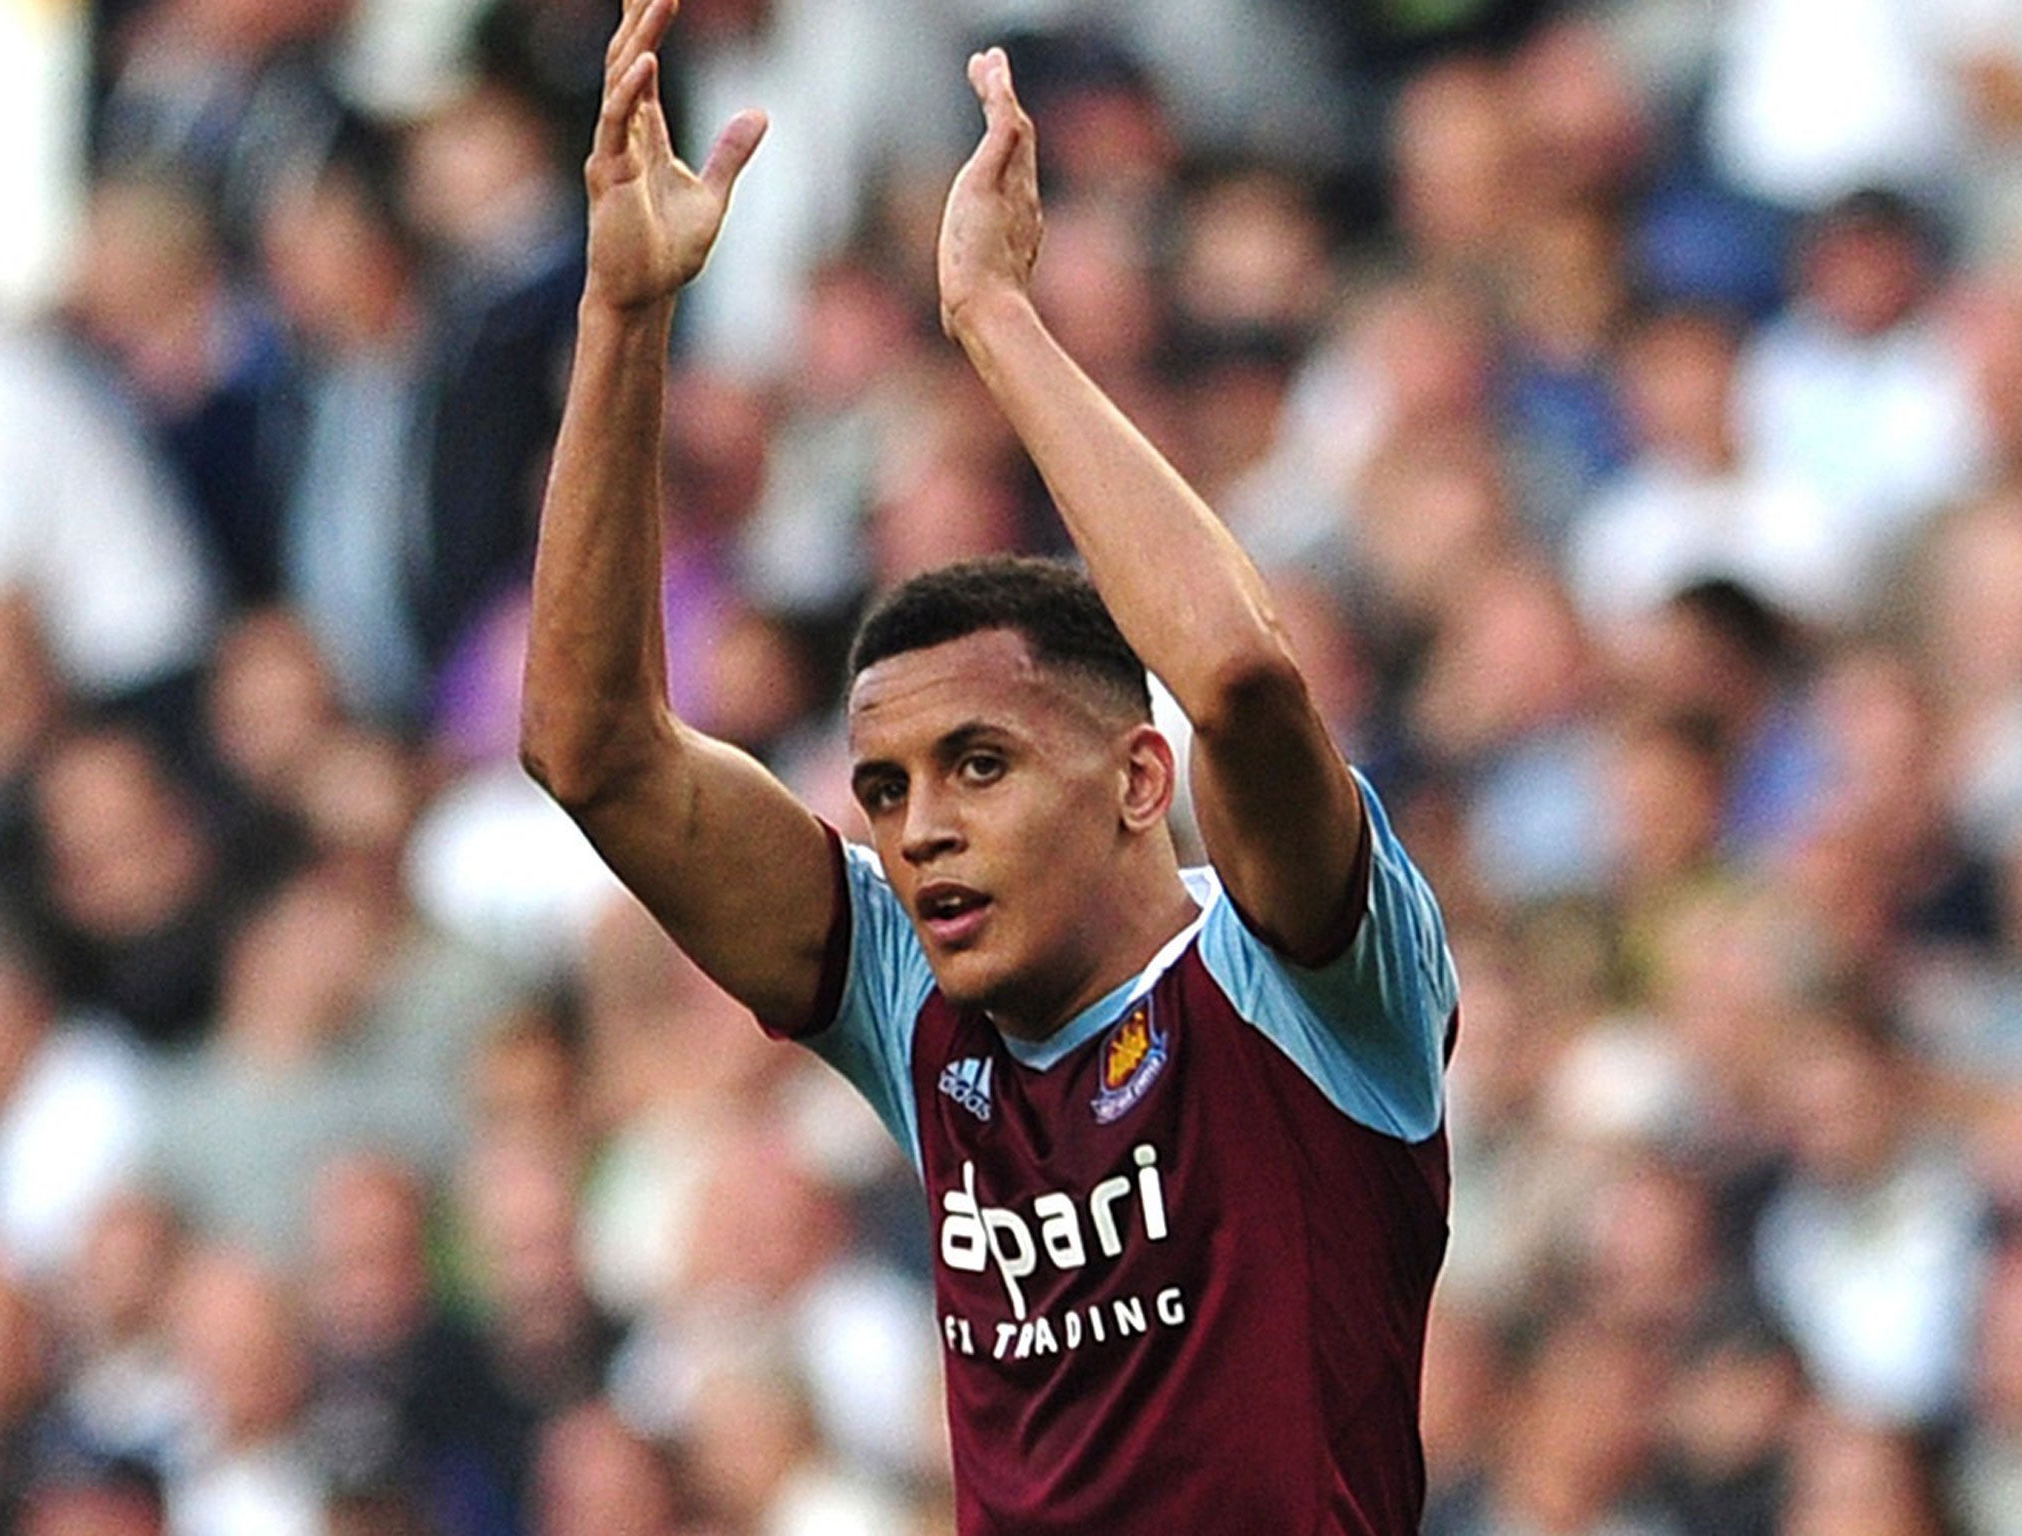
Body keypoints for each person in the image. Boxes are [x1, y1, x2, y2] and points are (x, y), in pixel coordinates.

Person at [519, 2, 1460, 1531]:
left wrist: (997, 321)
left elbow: (1237, 674)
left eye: (978, 766)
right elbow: (594, 753)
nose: (919, 833)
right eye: (885, 792)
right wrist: (622, 313)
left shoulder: (1307, 982)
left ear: (1140, 783)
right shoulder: (915, 1008)